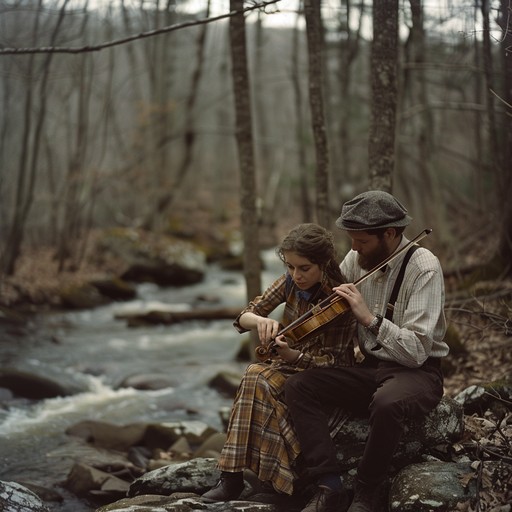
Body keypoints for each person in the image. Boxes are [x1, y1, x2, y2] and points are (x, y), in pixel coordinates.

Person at [284, 190, 450, 512]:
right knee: (299, 386)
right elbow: (323, 297)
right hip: (371, 367)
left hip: (417, 371)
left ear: (390, 234)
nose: (354, 249)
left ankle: (366, 490)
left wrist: (370, 319)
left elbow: (416, 351)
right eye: (351, 240)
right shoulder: (356, 260)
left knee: (387, 402)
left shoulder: (423, 267)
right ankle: (329, 485)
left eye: (362, 242)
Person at [202, 223, 357, 509]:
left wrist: (294, 357)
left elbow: (334, 362)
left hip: (322, 376)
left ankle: (234, 477)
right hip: (288, 366)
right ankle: (232, 476)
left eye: (305, 268)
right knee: (253, 374)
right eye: (290, 266)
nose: (296, 275)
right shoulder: (289, 282)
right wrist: (260, 321)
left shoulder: (340, 301)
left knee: (255, 375)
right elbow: (243, 317)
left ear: (323, 264)